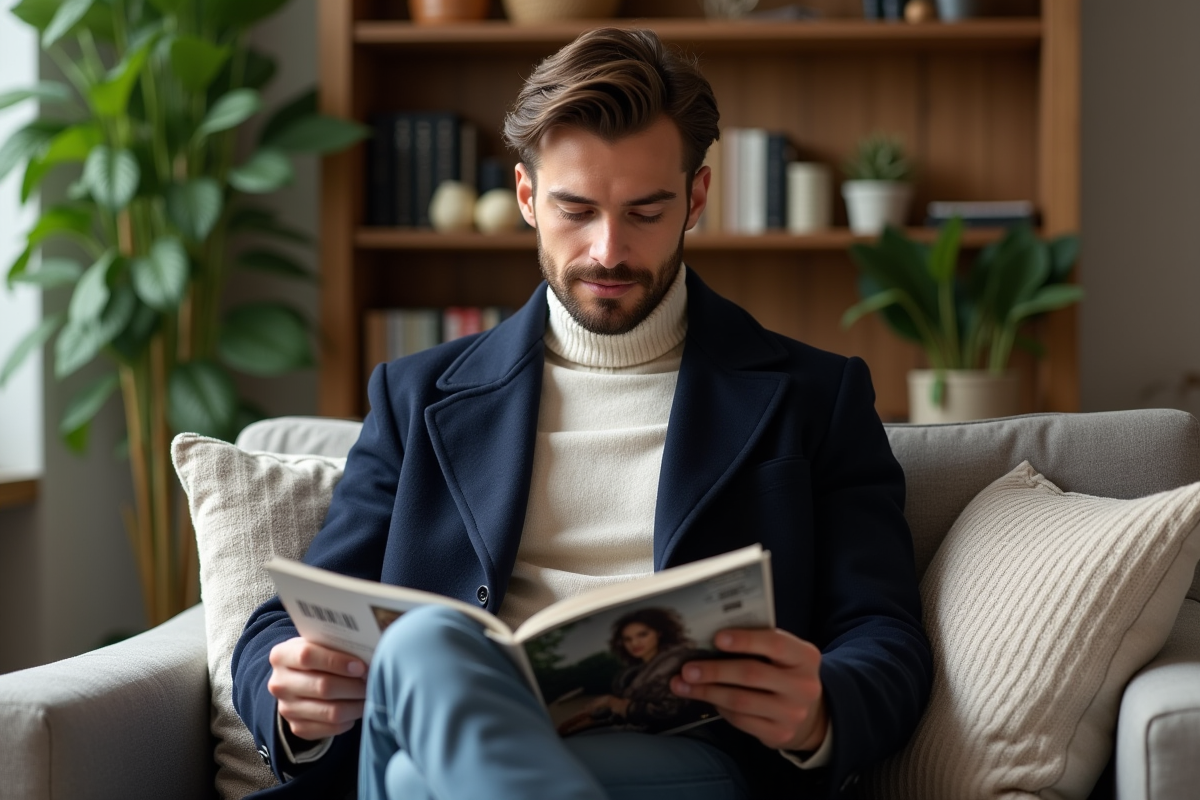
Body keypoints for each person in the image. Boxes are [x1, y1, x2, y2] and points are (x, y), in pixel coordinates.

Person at [232, 26, 932, 800]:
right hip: (446, 731)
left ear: (696, 199)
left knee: (410, 773)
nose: (607, 251)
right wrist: (293, 697)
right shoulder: (416, 396)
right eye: (576, 210)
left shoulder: (814, 398)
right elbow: (288, 621)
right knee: (426, 653)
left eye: (644, 212)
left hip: (693, 766)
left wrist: (822, 710)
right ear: (528, 199)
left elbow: (886, 636)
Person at [556, 608, 709, 736]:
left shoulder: (676, 661)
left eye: (642, 634)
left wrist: (615, 703)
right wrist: (593, 716)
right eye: (627, 639)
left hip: (683, 737)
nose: (634, 643)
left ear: (659, 633)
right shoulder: (631, 673)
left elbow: (670, 711)